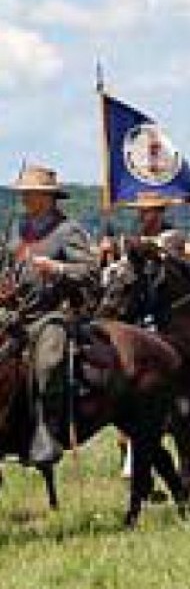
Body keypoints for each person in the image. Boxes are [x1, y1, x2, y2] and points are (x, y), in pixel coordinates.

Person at [5, 164, 97, 465]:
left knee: (48, 362)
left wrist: (57, 268)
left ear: (48, 197)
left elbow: (90, 271)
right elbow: (8, 267)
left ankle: (46, 430)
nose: (25, 198)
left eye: (31, 193)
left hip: (52, 313)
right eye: (24, 193)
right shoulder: (17, 226)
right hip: (16, 314)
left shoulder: (67, 229)